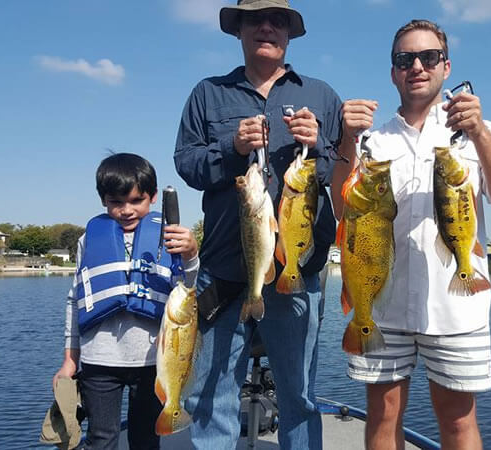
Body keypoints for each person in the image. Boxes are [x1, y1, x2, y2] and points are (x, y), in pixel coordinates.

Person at [332, 19, 491, 449]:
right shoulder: (372, 140)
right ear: (393, 72)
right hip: (382, 302)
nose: (417, 66)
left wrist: (476, 132)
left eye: (428, 57)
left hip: (458, 306)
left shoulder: (478, 130)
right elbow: (339, 208)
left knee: (458, 423)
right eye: (405, 59)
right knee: (382, 418)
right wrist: (346, 142)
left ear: (446, 66)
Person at [173, 0, 342, 448]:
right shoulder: (208, 93)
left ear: (289, 33)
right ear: (239, 30)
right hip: (226, 268)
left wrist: (319, 143)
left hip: (296, 271)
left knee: (299, 395)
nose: (267, 26)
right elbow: (187, 164)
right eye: (255, 19)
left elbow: (342, 174)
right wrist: (230, 145)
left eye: (278, 20)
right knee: (210, 395)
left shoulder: (322, 94)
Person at [52, 153, 199, 450]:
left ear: (153, 197)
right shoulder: (88, 240)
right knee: (101, 438)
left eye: (136, 200)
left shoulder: (172, 238)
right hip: (98, 362)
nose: (126, 210)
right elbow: (75, 300)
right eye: (116, 202)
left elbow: (189, 291)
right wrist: (71, 359)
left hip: (152, 363)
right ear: (104, 201)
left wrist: (192, 254)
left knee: (145, 439)